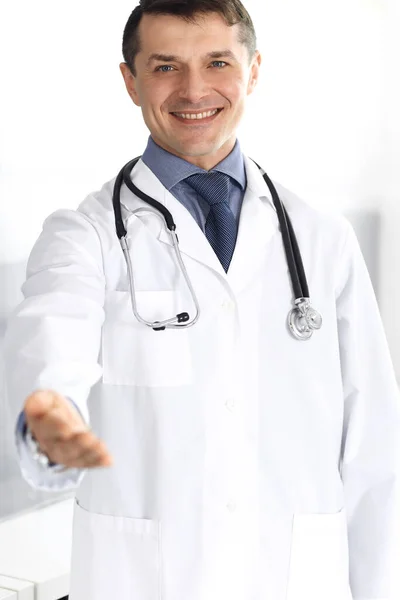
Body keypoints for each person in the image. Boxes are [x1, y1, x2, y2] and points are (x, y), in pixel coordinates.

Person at [4, 0, 400, 599]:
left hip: (294, 580)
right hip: (145, 581)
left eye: (217, 61)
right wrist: (51, 416)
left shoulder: (323, 239)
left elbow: (373, 449)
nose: (194, 90)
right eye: (165, 66)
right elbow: (53, 338)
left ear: (253, 70)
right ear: (130, 81)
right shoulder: (84, 236)